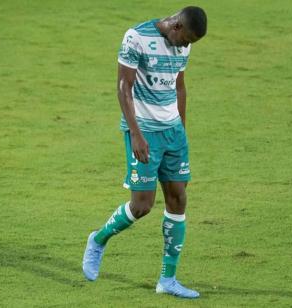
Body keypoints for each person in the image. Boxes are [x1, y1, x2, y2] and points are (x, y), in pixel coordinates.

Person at [82, 6, 207, 299]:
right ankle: (98, 240)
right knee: (141, 205)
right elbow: (123, 88)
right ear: (176, 26)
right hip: (144, 132)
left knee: (178, 198)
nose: (187, 47)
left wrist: (182, 132)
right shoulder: (136, 37)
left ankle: (167, 280)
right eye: (186, 39)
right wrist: (135, 135)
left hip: (173, 133)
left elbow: (179, 88)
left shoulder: (182, 47)